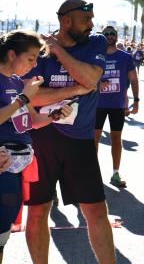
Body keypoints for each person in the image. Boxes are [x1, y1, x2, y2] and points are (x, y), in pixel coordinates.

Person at [25, 0, 116, 264]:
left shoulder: (96, 42)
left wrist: (60, 51)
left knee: (97, 211)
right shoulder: (38, 51)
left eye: (91, 19)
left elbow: (91, 78)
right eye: (86, 20)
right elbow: (31, 97)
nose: (92, 25)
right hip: (41, 139)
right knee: (38, 211)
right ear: (66, 21)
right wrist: (74, 90)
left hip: (79, 141)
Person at [0, 30, 74, 262]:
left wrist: (54, 115)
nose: (34, 65)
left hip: (18, 164)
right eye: (30, 58)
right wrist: (22, 98)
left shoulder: (14, 81)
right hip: (3, 163)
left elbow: (28, 121)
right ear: (12, 54)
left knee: (4, 231)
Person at [94, 25, 139, 189]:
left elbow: (134, 79)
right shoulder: (96, 56)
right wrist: (98, 83)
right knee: (95, 138)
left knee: (116, 139)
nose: (110, 36)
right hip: (97, 104)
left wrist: (136, 100)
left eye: (113, 33)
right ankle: (94, 173)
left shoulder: (125, 57)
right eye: (106, 34)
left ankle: (115, 173)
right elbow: (86, 77)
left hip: (117, 105)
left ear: (117, 36)